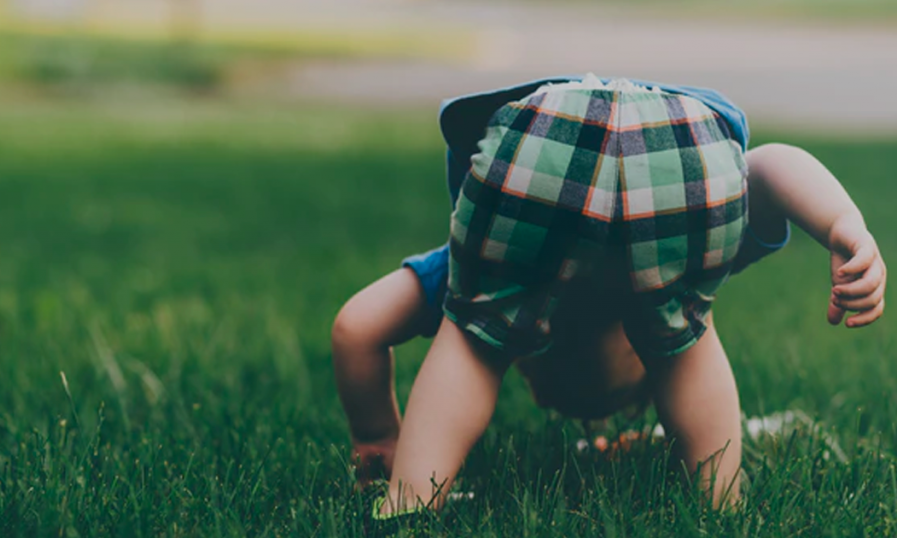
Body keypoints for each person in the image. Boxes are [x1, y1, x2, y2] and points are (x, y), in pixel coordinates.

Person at [331, 75, 886, 526]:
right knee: (677, 338)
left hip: (586, 138)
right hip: (648, 137)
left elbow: (356, 326)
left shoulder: (491, 268)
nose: (536, 385)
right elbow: (768, 165)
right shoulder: (655, 264)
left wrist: (377, 433)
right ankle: (719, 508)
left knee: (482, 338)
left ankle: (410, 502)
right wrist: (841, 222)